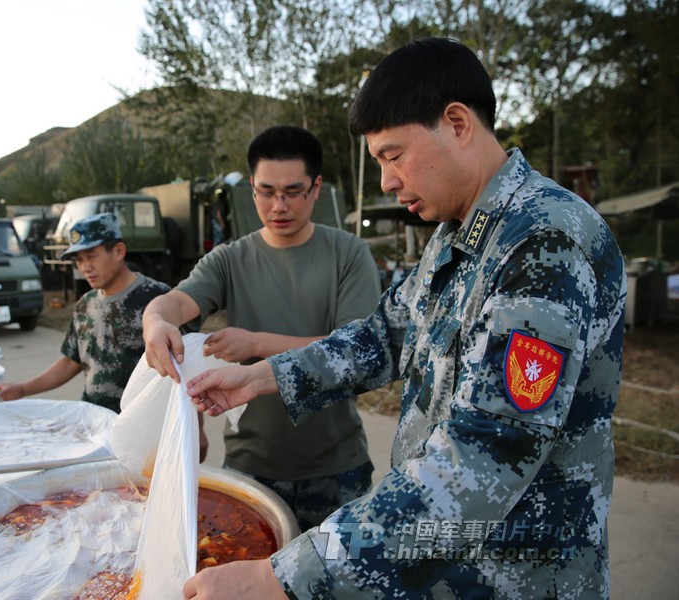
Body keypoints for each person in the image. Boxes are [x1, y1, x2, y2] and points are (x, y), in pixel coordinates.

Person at [179, 38, 627, 599]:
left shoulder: (544, 240)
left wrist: (280, 578)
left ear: (458, 124)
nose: (388, 181)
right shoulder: (457, 235)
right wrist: (259, 377)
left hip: (518, 576)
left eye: (394, 155)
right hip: (443, 567)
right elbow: (387, 334)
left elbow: (485, 454)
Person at [143, 125, 382, 531]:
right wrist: (155, 320)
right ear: (251, 187)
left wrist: (256, 342)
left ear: (316, 187)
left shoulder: (348, 254)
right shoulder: (229, 260)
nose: (278, 206)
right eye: (266, 192)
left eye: (292, 192)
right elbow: (176, 303)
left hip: (336, 466)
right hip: (250, 464)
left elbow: (358, 348)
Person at [0, 212, 170, 413]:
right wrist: (22, 389)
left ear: (118, 251)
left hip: (143, 423)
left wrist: (194, 427)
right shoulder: (85, 305)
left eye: (91, 256)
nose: (85, 267)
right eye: (79, 260)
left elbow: (184, 367)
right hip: (94, 419)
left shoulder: (159, 299)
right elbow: (71, 361)